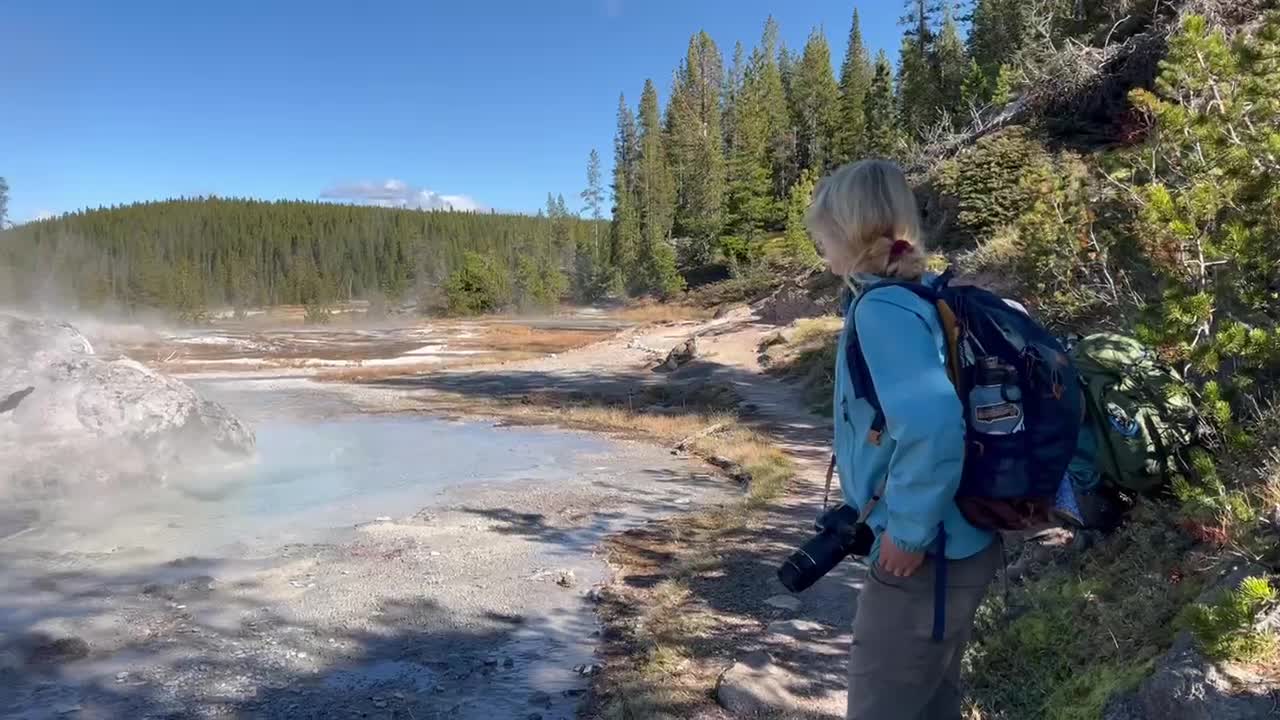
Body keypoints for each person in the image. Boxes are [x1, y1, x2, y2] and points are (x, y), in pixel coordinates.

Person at [805, 159, 1002, 720]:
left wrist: (910, 534)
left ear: (850, 230)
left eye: (823, 234)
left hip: (929, 552)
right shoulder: (913, 295)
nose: (820, 249)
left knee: (882, 706)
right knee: (931, 700)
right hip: (959, 542)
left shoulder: (884, 310)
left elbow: (936, 425)